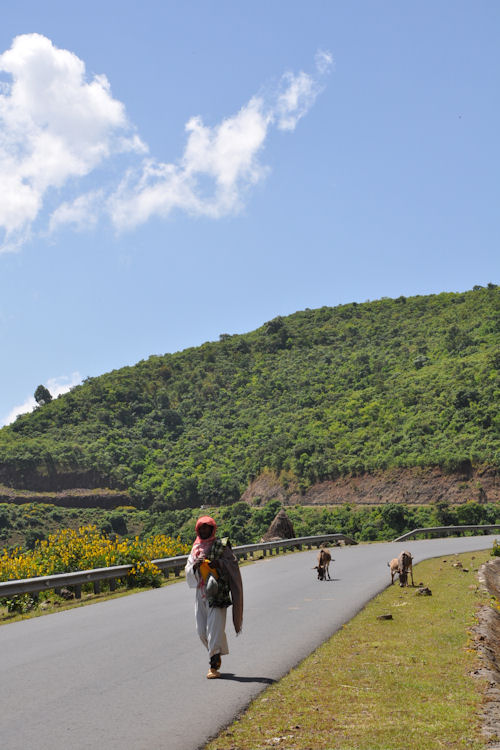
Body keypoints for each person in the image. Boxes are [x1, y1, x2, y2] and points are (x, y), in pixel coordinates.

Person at [185, 515, 243, 679]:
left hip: (218, 593)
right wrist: (195, 566)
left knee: (215, 629)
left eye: (207, 527)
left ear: (212, 529)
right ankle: (215, 651)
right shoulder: (195, 548)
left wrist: (219, 564)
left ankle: (214, 664)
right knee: (202, 631)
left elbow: (232, 564)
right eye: (201, 528)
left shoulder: (221, 546)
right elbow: (188, 569)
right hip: (201, 593)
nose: (204, 530)